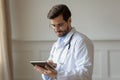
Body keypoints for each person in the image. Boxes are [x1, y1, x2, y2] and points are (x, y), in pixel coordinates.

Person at [35, 4, 94, 80]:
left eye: (60, 25)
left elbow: (85, 74)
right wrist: (47, 71)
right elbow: (51, 76)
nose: (56, 29)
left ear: (69, 20)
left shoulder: (82, 41)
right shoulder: (56, 45)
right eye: (53, 25)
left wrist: (57, 74)